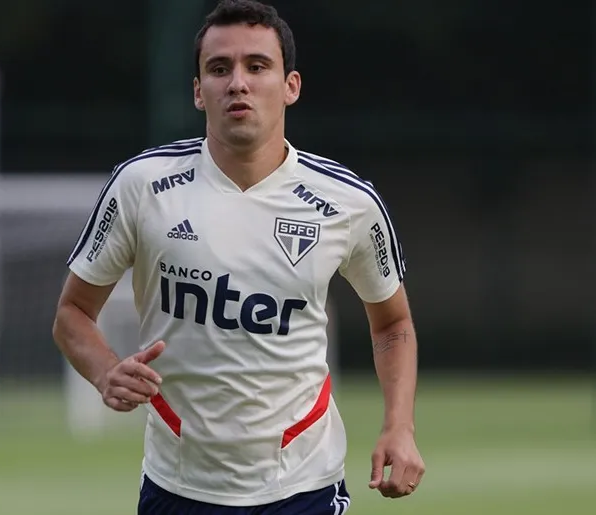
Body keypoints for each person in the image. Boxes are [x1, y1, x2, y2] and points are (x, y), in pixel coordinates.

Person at [52, 0, 425, 513]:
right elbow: (72, 313)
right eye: (219, 68)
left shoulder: (348, 202)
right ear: (198, 91)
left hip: (304, 486)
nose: (238, 83)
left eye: (257, 66)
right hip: (178, 486)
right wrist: (105, 371)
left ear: (291, 86)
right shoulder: (141, 186)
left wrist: (399, 427)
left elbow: (393, 322)